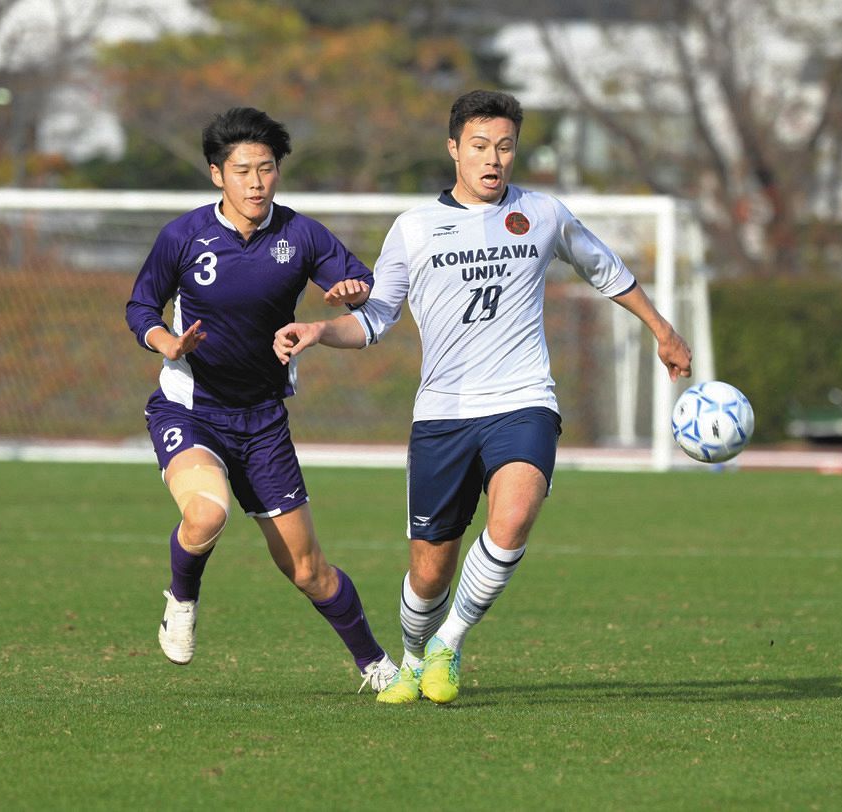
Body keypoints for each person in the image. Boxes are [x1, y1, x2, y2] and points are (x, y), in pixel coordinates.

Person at [273, 89, 693, 704]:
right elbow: (374, 319)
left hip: (523, 398)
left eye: (505, 147)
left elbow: (606, 270)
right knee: (428, 571)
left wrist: (662, 330)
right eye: (479, 147)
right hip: (442, 414)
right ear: (453, 150)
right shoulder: (414, 229)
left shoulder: (543, 213)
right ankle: (415, 655)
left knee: (515, 515)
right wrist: (317, 330)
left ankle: (450, 643)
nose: (493, 159)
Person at [124, 107, 398, 693]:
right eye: (243, 169)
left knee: (308, 571)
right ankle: (183, 596)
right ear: (217, 174)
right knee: (207, 512)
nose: (256, 182)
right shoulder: (183, 235)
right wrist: (166, 341)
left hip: (264, 424)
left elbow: (360, 287)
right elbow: (140, 306)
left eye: (266, 169)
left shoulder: (301, 234)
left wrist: (351, 291)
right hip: (189, 409)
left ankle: (376, 665)